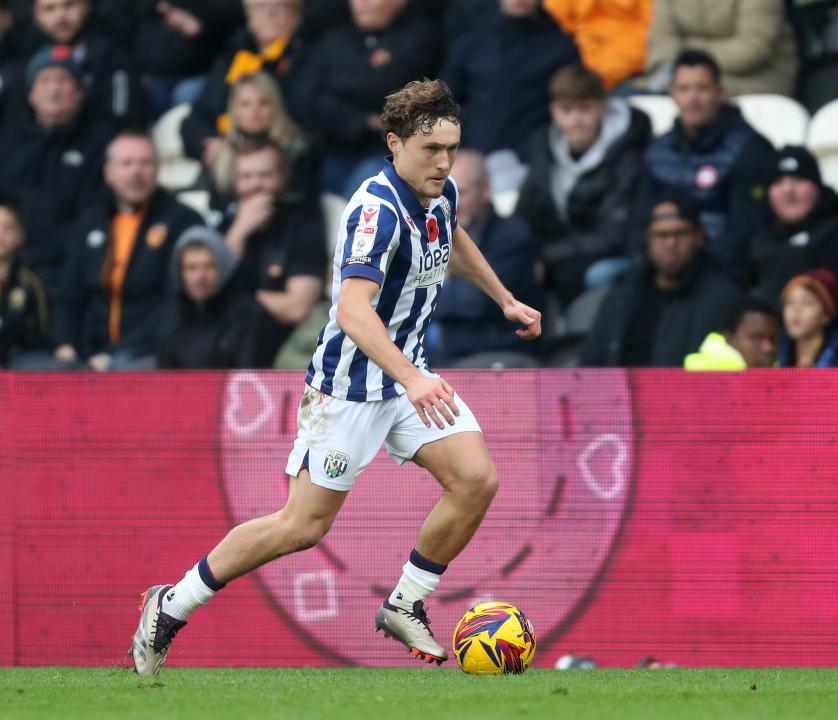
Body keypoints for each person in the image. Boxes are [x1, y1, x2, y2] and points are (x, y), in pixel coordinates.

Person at [129, 79, 542, 676]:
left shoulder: (440, 190)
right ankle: (172, 604)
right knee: (301, 526)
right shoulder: (374, 210)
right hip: (350, 387)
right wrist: (413, 378)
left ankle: (405, 601)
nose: (444, 162)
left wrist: (504, 298)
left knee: (476, 479)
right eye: (431, 150)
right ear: (395, 144)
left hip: (405, 377)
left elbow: (451, 235)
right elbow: (352, 311)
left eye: (451, 148)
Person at [51, 131, 203, 370]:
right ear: (108, 173)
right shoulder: (90, 221)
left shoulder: (182, 221)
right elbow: (69, 294)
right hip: (89, 354)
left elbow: (176, 304)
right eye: (126, 163)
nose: (136, 172)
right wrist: (65, 344)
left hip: (151, 351)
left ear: (157, 170)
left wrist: (115, 356)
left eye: (145, 163)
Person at [634, 49, 777, 283]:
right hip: (662, 267)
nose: (693, 98)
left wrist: (694, 269)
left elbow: (746, 228)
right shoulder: (658, 150)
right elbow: (639, 220)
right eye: (684, 89)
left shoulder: (750, 149)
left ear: (719, 93)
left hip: (721, 270)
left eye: (702, 89)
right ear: (672, 94)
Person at [516, 63, 650, 303]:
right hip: (560, 253)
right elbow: (524, 213)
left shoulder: (628, 155)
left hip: (611, 256)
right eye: (567, 110)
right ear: (553, 112)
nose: (576, 120)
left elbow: (613, 236)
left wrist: (544, 255)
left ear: (603, 108)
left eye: (585, 109)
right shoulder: (543, 149)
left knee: (577, 276)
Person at [580, 192, 743, 367]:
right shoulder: (623, 292)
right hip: (616, 393)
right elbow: (592, 361)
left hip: (684, 393)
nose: (670, 243)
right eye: (661, 235)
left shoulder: (723, 299)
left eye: (680, 233)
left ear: (699, 237)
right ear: (648, 240)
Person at [0, 45, 111, 286]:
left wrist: (42, 251)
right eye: (44, 80)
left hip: (64, 262)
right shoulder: (9, 140)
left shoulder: (99, 145)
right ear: (31, 94)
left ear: (79, 92)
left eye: (63, 80)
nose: (53, 89)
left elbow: (94, 215)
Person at [312, 0, 442, 197]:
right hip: (335, 148)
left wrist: (342, 78)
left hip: (391, 152)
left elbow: (387, 86)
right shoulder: (333, 39)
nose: (363, 3)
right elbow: (309, 99)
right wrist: (364, 120)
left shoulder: (420, 35)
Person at [218, 137, 325, 367]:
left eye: (265, 175)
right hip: (229, 343)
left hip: (287, 344)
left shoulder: (304, 222)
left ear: (284, 175)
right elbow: (206, 289)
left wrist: (238, 299)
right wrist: (239, 232)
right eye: (246, 176)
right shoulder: (227, 226)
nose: (255, 184)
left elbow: (296, 307)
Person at [429, 149, 539, 365]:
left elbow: (475, 301)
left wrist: (436, 284)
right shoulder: (431, 233)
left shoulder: (513, 236)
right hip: (444, 355)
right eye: (444, 194)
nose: (452, 203)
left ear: (486, 190)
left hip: (497, 355)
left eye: (461, 192)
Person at [179, 0, 319, 170]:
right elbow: (198, 116)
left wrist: (245, 149)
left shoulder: (310, 57)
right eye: (260, 7)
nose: (270, 14)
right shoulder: (232, 56)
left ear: (297, 16)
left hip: (279, 161)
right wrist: (209, 146)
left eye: (280, 7)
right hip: (224, 157)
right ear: (250, 18)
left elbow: (299, 116)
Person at [752, 146, 838, 321]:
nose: (788, 191)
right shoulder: (760, 236)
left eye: (798, 180)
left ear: (817, 187)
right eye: (778, 182)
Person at [441, 0, 579, 157]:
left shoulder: (561, 48)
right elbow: (442, 101)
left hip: (529, 161)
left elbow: (568, 109)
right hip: (468, 157)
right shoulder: (472, 41)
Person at [0, 0, 145, 127]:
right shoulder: (19, 65)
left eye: (69, 5)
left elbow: (124, 120)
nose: (61, 15)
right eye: (50, 8)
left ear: (87, 6)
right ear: (36, 14)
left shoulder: (115, 59)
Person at [208, 71, 317, 211]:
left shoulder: (299, 149)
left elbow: (303, 201)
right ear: (234, 110)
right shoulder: (224, 152)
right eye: (245, 104)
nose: (254, 111)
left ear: (276, 106)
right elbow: (216, 206)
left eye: (263, 103)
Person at [642, 0, 797, 97]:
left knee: (692, 94)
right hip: (687, 72)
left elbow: (751, 50)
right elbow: (662, 37)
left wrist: (687, 56)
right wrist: (670, 66)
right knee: (630, 96)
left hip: (756, 78)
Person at [156, 225, 259, 368]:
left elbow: (251, 376)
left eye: (209, 266)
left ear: (223, 267)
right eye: (191, 268)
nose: (200, 277)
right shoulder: (171, 320)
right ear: (181, 273)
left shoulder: (247, 315)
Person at [543, 0, 654, 91]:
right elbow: (553, 22)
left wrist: (597, 74)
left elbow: (649, 32)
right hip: (574, 70)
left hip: (627, 77)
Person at [0, 201, 49, 367]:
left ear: (20, 235)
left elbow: (41, 331)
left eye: (8, 228)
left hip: (20, 359)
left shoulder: (31, 283)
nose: (0, 234)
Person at [683, 297, 779, 371]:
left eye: (773, 339)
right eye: (756, 337)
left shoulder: (779, 378)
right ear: (729, 339)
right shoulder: (702, 380)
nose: (768, 348)